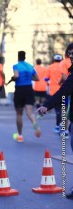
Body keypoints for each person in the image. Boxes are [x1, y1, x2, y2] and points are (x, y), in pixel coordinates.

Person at [38, 43, 73, 199]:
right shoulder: (68, 69)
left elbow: (64, 89)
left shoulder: (61, 68)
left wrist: (47, 105)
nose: (70, 55)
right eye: (69, 53)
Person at [11, 51, 41, 142]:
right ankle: (36, 126)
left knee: (19, 114)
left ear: (18, 57)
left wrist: (13, 78)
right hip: (29, 90)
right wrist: (28, 78)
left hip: (20, 90)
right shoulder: (30, 66)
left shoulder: (16, 66)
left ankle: (20, 136)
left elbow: (16, 75)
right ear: (25, 57)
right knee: (29, 112)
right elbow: (37, 78)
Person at [45, 54, 63, 134]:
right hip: (64, 90)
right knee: (64, 109)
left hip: (53, 91)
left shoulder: (50, 67)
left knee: (58, 110)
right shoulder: (64, 66)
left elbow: (46, 78)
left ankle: (57, 126)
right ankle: (63, 128)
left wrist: (49, 81)